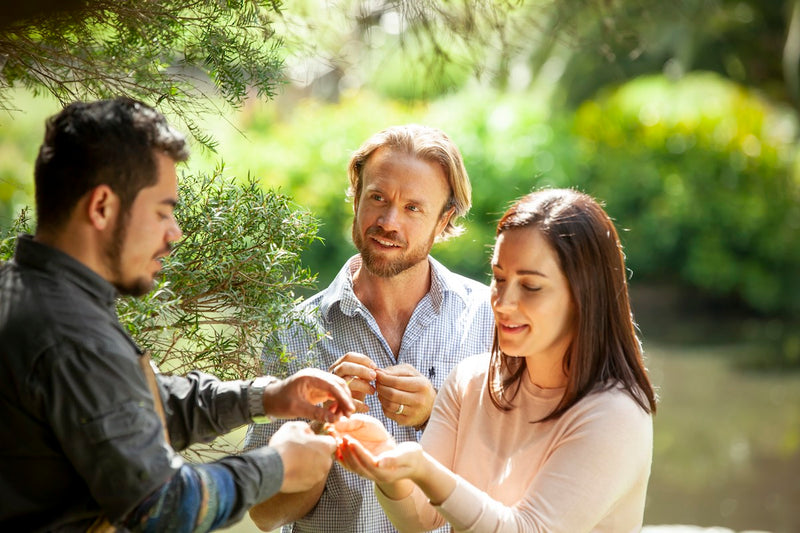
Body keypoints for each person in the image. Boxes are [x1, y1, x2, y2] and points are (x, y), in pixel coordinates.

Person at [0, 97, 356, 532]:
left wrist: (267, 397)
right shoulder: (70, 334)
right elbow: (164, 505)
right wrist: (278, 465)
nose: (175, 233)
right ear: (102, 207)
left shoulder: (26, 292)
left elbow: (122, 409)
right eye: (162, 211)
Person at [335, 188, 658, 532]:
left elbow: (527, 529)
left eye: (530, 287)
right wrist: (388, 463)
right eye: (499, 278)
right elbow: (420, 519)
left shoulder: (614, 414)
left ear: (585, 296)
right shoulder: (470, 382)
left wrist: (425, 470)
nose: (503, 303)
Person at [245, 125, 495, 532]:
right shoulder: (294, 332)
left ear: (443, 219)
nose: (389, 222)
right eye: (378, 198)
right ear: (356, 195)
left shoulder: (490, 319)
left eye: (414, 208)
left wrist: (438, 417)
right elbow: (265, 513)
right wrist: (319, 433)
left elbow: (517, 477)